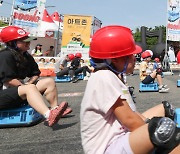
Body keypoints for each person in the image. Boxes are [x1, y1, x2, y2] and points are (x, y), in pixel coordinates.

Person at [80, 25, 180, 154]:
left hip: (120, 136)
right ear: (114, 59)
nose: (134, 58)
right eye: (130, 55)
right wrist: (160, 133)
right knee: (165, 131)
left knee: (165, 109)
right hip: (107, 147)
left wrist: (152, 125)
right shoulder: (103, 77)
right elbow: (130, 120)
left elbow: (133, 113)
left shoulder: (113, 75)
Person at [0, 26, 72, 127]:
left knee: (48, 82)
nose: (28, 43)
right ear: (12, 42)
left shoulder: (26, 56)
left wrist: (29, 84)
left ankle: (55, 109)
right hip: (2, 94)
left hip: (16, 91)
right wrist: (26, 87)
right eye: (24, 40)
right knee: (29, 88)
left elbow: (35, 73)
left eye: (28, 40)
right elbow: (9, 80)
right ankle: (48, 115)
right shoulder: (5, 55)